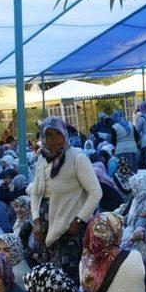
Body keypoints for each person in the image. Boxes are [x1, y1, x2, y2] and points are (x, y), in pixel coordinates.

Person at [30, 117, 102, 282]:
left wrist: (78, 220)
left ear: (65, 134)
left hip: (69, 227)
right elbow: (35, 193)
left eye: (58, 134)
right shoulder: (42, 159)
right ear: (42, 137)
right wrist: (36, 220)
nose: (54, 139)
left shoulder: (77, 158)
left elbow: (96, 192)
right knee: (47, 277)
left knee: (67, 279)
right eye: (48, 135)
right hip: (45, 226)